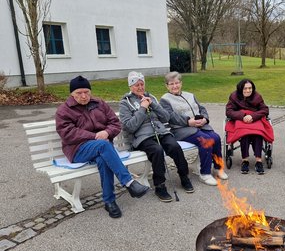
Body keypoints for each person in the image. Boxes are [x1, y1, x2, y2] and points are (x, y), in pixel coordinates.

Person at [55, 75, 150, 218]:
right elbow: (68, 133)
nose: (83, 96)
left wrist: (107, 132)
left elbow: (115, 123)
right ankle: (129, 182)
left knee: (103, 159)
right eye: (79, 93)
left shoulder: (99, 104)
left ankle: (109, 202)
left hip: (103, 148)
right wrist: (94, 136)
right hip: (78, 150)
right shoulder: (64, 110)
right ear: (72, 94)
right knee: (103, 145)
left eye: (86, 92)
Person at [119, 71, 194, 203]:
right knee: (157, 150)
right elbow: (130, 126)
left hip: (160, 132)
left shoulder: (151, 97)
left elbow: (166, 117)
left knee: (174, 146)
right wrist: (142, 108)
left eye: (142, 84)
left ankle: (184, 177)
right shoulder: (125, 103)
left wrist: (153, 104)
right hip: (142, 137)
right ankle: (160, 185)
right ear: (130, 87)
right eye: (136, 85)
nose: (140, 87)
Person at [159, 71, 228, 186]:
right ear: (167, 86)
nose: (175, 86)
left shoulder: (190, 95)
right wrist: (188, 121)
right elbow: (170, 116)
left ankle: (218, 168)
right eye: (171, 84)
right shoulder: (165, 100)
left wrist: (205, 119)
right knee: (205, 140)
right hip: (180, 130)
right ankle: (205, 174)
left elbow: (202, 109)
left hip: (199, 126)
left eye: (177, 83)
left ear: (181, 83)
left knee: (215, 138)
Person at [225, 79, 274, 174]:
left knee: (258, 133)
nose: (248, 91)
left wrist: (253, 116)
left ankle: (258, 161)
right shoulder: (234, 96)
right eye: (245, 88)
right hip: (240, 119)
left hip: (254, 119)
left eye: (250, 88)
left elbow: (265, 109)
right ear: (240, 89)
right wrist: (242, 116)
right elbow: (229, 111)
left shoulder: (257, 96)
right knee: (244, 133)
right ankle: (245, 160)